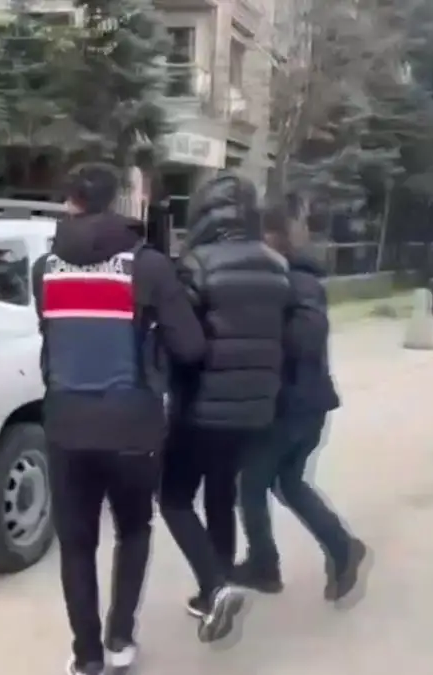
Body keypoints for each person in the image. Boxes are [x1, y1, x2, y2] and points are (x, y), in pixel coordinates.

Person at [32, 162, 206, 675]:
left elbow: (51, 338)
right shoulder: (148, 266)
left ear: (69, 202)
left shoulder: (44, 269)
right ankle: (121, 638)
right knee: (132, 530)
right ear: (120, 202)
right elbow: (190, 346)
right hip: (133, 426)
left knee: (76, 543)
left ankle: (87, 656)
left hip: (66, 423)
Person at [158, 172, 292, 643]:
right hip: (255, 409)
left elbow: (183, 342)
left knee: (174, 498)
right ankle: (214, 588)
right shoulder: (277, 265)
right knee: (220, 494)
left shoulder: (196, 264)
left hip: (201, 407)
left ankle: (215, 586)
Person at [231, 204, 368, 602]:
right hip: (296, 403)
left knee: (252, 484)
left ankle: (266, 566)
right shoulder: (285, 280)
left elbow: (306, 338)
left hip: (293, 405)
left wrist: (260, 322)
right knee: (288, 483)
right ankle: (341, 547)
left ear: (272, 238)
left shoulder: (298, 282)